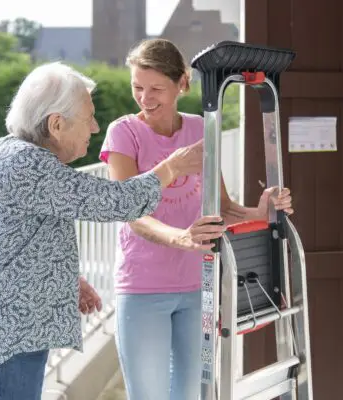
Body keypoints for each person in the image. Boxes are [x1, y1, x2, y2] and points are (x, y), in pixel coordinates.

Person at [0, 61, 211, 400]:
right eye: (88, 118)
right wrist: (175, 164)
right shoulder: (25, 164)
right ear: (56, 124)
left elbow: (11, 239)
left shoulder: (9, 153)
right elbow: (116, 201)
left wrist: (65, 280)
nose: (95, 127)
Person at [99, 38, 294, 400]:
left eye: (156, 88)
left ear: (182, 84)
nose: (145, 97)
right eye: (137, 87)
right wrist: (180, 237)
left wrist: (262, 210)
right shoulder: (123, 132)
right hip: (142, 288)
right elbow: (129, 211)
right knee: (149, 395)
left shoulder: (201, 129)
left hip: (198, 288)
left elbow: (221, 206)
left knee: (194, 393)